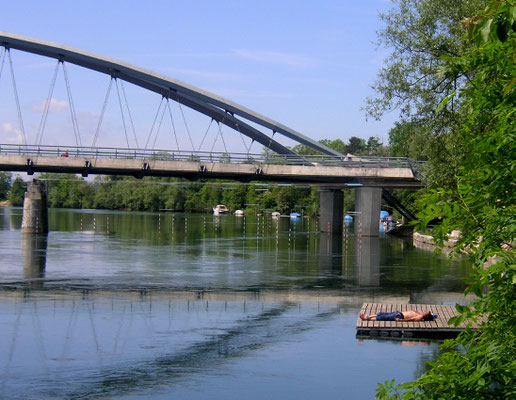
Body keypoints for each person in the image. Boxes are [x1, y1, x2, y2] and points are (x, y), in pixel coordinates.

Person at [359, 310, 436, 322]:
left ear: (426, 315)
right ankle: (368, 316)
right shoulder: (420, 314)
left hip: (400, 316)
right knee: (381, 314)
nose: (425, 311)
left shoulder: (419, 317)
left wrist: (401, 320)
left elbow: (412, 319)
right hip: (398, 313)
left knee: (382, 318)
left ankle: (366, 319)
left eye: (426, 312)